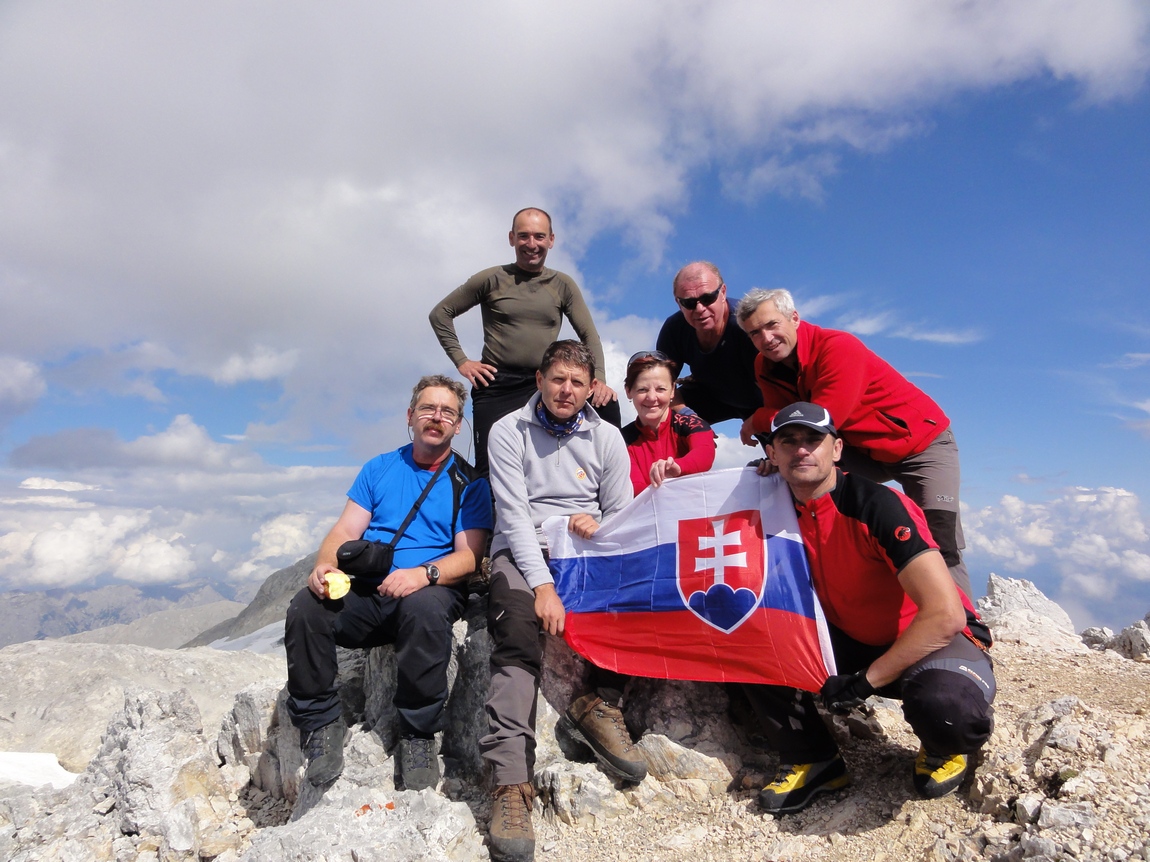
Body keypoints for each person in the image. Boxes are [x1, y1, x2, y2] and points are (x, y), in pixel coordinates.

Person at [747, 401, 995, 815]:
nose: (801, 450)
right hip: (849, 636)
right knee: (749, 641)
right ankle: (813, 760)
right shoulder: (774, 503)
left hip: (927, 640)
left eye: (813, 439)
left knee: (947, 710)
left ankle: (942, 747)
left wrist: (865, 682)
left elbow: (945, 615)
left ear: (837, 449)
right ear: (772, 453)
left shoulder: (875, 504)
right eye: (788, 442)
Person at [283, 376, 492, 792]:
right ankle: (321, 725)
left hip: (429, 588)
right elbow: (345, 530)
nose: (436, 418)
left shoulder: (469, 483)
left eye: (447, 412)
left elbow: (469, 556)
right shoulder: (378, 468)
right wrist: (324, 566)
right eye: (428, 409)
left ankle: (417, 734)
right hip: (369, 588)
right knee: (306, 608)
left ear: (458, 425)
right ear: (410, 416)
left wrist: (423, 575)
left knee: (425, 611)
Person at [481, 340, 640, 862]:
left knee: (633, 605)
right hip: (522, 548)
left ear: (591, 387)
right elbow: (512, 515)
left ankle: (599, 704)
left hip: (584, 549)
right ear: (539, 380)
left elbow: (620, 513)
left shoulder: (606, 437)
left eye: (577, 382)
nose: (566, 390)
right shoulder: (508, 431)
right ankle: (510, 784)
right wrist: (542, 587)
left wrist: (598, 527)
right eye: (557, 379)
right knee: (516, 632)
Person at [735, 287, 972, 597]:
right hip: (858, 450)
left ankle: (965, 622)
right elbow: (788, 429)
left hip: (921, 444)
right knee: (806, 489)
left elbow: (824, 418)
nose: (766, 338)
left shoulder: (837, 346)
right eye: (755, 333)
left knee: (940, 536)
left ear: (794, 318)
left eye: (772, 325)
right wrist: (775, 458)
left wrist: (757, 419)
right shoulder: (765, 366)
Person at [429, 207, 620, 474]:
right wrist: (462, 361)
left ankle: (608, 484)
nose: (532, 244)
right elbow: (441, 313)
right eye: (524, 236)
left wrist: (598, 378)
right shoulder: (491, 279)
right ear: (512, 238)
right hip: (497, 383)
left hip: (543, 383)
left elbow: (588, 334)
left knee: (606, 404)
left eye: (539, 236)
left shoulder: (562, 284)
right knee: (489, 469)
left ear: (551, 240)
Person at [655, 260, 762, 427]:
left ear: (723, 292)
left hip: (764, 400)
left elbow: (783, 385)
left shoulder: (750, 324)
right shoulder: (674, 329)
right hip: (711, 395)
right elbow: (659, 383)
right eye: (689, 303)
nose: (700, 309)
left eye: (707, 298)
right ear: (678, 303)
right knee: (659, 414)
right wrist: (687, 416)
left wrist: (761, 421)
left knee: (792, 437)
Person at [620, 349, 716, 495]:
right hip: (649, 508)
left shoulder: (692, 424)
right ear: (628, 391)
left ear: (672, 391)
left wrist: (677, 467)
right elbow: (635, 489)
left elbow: (704, 454)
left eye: (661, 389)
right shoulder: (620, 440)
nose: (652, 397)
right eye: (642, 389)